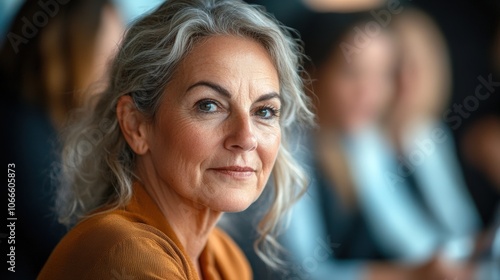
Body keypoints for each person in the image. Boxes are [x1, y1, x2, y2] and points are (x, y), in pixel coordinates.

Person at [38, 0, 314, 279]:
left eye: (264, 111)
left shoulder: (223, 259)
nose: (245, 137)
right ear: (136, 125)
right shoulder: (126, 254)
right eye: (208, 105)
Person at [282, 11, 479, 280]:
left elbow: (405, 233)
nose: (369, 92)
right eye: (352, 73)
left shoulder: (360, 142)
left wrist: (462, 254)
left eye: (382, 76)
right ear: (310, 73)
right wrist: (409, 274)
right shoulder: (286, 150)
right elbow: (302, 273)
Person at [0, 0, 123, 277]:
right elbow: (59, 243)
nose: (115, 80)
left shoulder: (41, 121)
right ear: (70, 51)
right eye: (109, 63)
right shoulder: (21, 131)